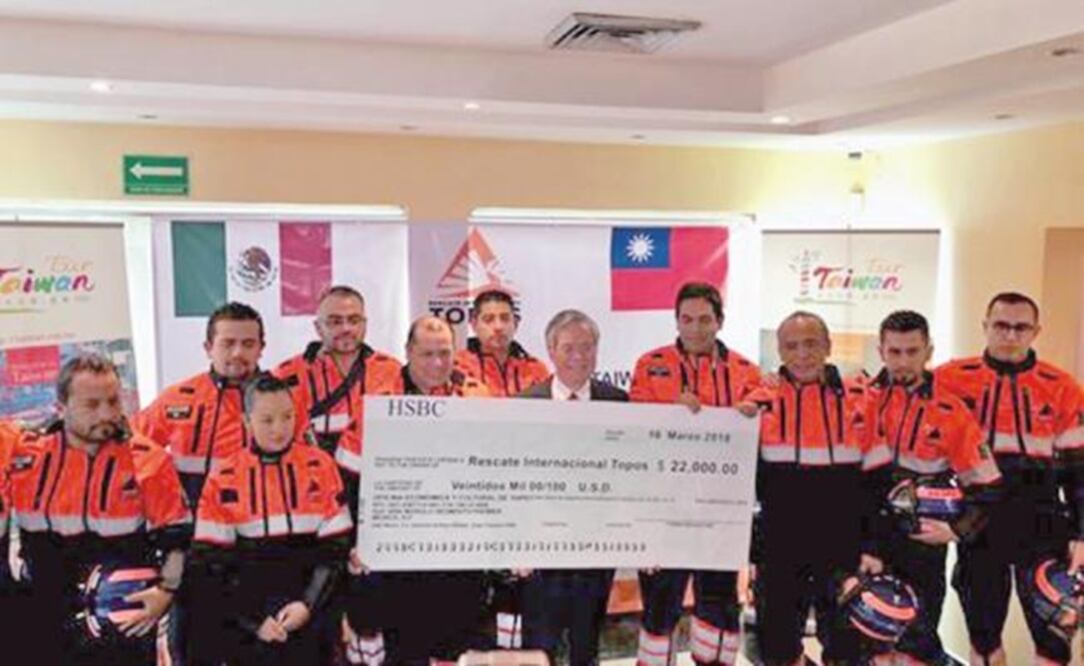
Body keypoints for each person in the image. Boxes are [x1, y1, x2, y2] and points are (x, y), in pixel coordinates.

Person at [8, 355, 192, 665]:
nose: (107, 413)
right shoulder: (25, 456)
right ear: (61, 408)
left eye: (113, 401)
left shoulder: (148, 460)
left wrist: (166, 592)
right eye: (91, 405)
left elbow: (180, 541)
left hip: (119, 625)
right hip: (40, 619)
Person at [936, 292, 1084, 665]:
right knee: (984, 636)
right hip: (980, 524)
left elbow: (1080, 471)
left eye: (1021, 327)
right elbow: (894, 394)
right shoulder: (950, 379)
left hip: (1045, 524)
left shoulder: (1063, 386)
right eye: (1001, 325)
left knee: (1054, 638)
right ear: (985, 327)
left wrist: (1082, 534)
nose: (1010, 335)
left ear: (1036, 331)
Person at [859, 310, 1003, 665]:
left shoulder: (952, 411)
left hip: (919, 550)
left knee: (915, 644)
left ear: (929, 351)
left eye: (913, 351)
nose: (903, 361)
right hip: (861, 540)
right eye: (895, 352)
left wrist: (956, 529)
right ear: (881, 351)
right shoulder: (856, 397)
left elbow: (989, 486)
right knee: (863, 643)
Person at [630, 282, 761, 666]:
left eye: (705, 319)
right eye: (686, 319)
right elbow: (634, 433)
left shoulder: (747, 373)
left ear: (720, 321)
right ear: (676, 321)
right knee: (659, 606)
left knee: (718, 605)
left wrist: (754, 413)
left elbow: (763, 435)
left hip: (720, 514)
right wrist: (671, 410)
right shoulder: (650, 365)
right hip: (662, 513)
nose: (695, 328)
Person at [273, 285, 401, 664]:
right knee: (320, 609)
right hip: (314, 512)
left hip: (376, 508)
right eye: (334, 321)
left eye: (353, 320)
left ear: (365, 323)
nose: (345, 328)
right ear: (317, 327)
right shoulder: (289, 375)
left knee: (373, 611)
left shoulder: (393, 371)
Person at [190, 373, 352, 666]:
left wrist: (308, 604)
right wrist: (253, 622)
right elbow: (211, 564)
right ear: (246, 421)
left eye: (287, 417)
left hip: (312, 613)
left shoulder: (320, 464)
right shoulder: (223, 476)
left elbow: (336, 550)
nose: (279, 429)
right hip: (248, 621)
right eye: (267, 420)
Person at [747, 312, 870, 666]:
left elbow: (875, 480)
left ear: (829, 346)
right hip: (780, 546)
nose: (802, 354)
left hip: (842, 547)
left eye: (811, 343)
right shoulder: (758, 401)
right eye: (792, 346)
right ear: (780, 350)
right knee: (778, 647)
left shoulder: (860, 398)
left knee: (846, 647)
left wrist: (872, 543)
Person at [514, 309, 627, 666]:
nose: (578, 356)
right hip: (540, 551)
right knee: (539, 644)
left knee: (586, 643)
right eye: (568, 348)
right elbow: (515, 483)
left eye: (587, 347)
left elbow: (630, 476)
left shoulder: (619, 403)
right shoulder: (524, 405)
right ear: (551, 350)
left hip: (596, 547)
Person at [376, 316, 489, 664]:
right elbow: (353, 480)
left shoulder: (477, 397)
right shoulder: (382, 403)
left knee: (460, 650)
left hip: (462, 553)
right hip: (401, 561)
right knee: (407, 648)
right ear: (408, 352)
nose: (438, 363)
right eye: (427, 354)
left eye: (445, 353)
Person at [137, 301, 266, 507]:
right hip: (193, 525)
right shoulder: (178, 399)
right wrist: (162, 490)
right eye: (228, 343)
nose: (237, 353)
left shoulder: (283, 400)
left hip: (260, 523)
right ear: (208, 348)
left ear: (261, 349)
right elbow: (130, 443)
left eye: (248, 344)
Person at [454, 289, 549, 397]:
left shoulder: (535, 369)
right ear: (474, 324)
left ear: (516, 324)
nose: (498, 327)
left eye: (505, 318)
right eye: (488, 319)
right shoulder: (458, 365)